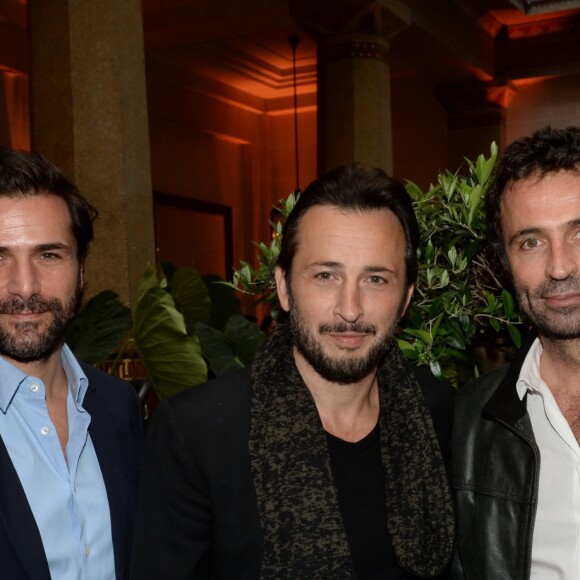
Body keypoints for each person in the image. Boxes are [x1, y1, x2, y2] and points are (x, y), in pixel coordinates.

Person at [130, 165, 455, 579]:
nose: (350, 308)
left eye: (375, 279)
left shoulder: (435, 410)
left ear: (406, 297)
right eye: (325, 276)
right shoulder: (197, 433)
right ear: (284, 287)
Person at [0, 147, 143, 580]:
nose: (24, 286)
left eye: (49, 255)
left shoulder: (121, 407)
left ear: (82, 271)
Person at [451, 125, 580, 579]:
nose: (560, 265)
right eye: (531, 241)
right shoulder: (468, 426)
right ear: (504, 265)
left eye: (579, 233)